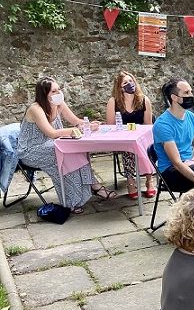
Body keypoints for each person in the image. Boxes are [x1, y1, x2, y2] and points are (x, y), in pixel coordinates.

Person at [17, 77, 115, 214]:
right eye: (53, 91)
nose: (58, 93)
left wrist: (89, 125)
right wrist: (75, 130)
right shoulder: (35, 109)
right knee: (65, 154)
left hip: (52, 144)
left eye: (59, 89)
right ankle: (73, 200)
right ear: (44, 94)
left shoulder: (59, 104)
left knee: (77, 149)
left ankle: (92, 185)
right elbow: (51, 133)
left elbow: (75, 121)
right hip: (31, 150)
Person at [105, 71, 155, 199]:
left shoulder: (144, 100)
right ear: (119, 87)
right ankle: (130, 181)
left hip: (141, 137)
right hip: (123, 139)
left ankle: (149, 180)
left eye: (131, 81)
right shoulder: (113, 102)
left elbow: (148, 125)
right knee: (128, 149)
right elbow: (110, 126)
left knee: (146, 146)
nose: (129, 84)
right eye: (125, 83)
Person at [153, 78, 194, 190]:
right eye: (186, 93)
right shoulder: (163, 124)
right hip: (171, 172)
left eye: (191, 92)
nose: (191, 95)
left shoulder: (190, 116)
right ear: (174, 97)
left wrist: (193, 161)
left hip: (190, 164)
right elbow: (177, 163)